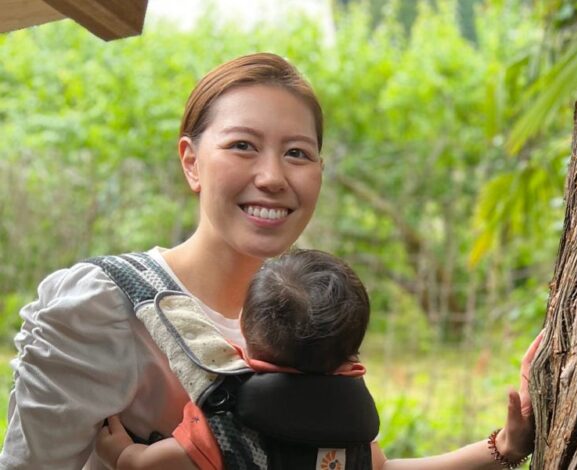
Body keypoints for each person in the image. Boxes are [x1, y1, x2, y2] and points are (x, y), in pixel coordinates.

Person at [0, 52, 537, 469]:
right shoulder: (102, 305)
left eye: (298, 153)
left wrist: (504, 448)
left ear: (320, 172)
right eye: (242, 145)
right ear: (191, 162)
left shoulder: (310, 315)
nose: (273, 176)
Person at [95, 248, 373, 470]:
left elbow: (151, 465)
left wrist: (123, 455)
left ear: (241, 326)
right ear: (350, 363)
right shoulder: (353, 433)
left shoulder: (226, 424)